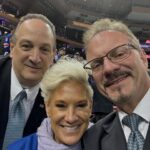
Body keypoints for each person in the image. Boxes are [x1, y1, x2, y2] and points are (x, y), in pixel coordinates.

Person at [82, 18, 150, 150]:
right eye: (97, 64)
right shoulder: (92, 139)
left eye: (119, 54)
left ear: (142, 57)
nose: (108, 68)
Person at [8, 58, 93, 150]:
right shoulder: (19, 148)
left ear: (90, 107)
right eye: (61, 106)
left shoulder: (106, 144)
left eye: (81, 105)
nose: (70, 118)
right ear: (47, 107)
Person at [0, 13, 56, 150]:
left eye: (44, 49)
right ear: (12, 49)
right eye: (26, 46)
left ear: (52, 56)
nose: (35, 58)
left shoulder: (58, 96)